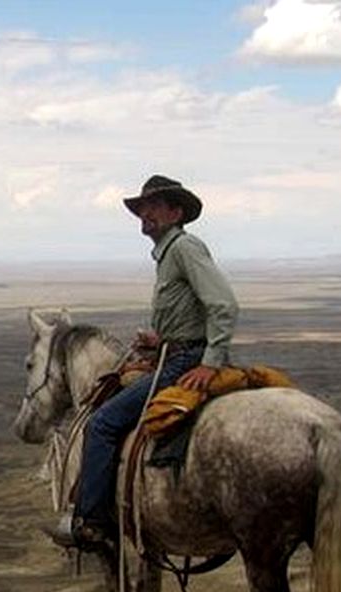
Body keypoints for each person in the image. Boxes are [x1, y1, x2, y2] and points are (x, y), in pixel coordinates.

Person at [52, 174, 239, 550]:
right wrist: (160, 340)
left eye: (153, 207)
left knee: (102, 423)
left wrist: (210, 362)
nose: (144, 214)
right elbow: (195, 313)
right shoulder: (168, 254)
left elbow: (223, 304)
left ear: (176, 212)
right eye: (141, 209)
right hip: (175, 351)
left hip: (184, 362)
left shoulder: (184, 249)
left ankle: (90, 522)